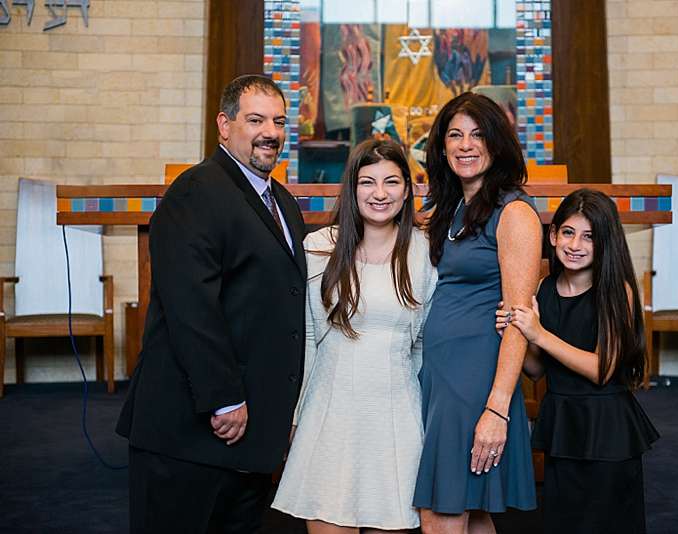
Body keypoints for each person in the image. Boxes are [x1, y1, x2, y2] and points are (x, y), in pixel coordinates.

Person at [116, 74, 307, 534]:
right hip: (192, 429)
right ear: (224, 125)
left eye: (279, 121)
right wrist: (224, 399)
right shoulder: (195, 191)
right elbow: (191, 308)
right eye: (256, 119)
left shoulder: (280, 200)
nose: (271, 132)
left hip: (248, 437)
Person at [271, 139, 437, 533]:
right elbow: (308, 338)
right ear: (352, 188)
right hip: (331, 416)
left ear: (407, 189)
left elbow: (424, 345)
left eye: (391, 182)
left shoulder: (424, 252)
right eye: (368, 182)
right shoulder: (319, 247)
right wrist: (296, 416)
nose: (379, 194)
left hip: (396, 418)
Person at [412, 92, 541, 534]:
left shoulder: (515, 212)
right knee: (473, 511)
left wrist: (498, 409)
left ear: (497, 143)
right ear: (442, 147)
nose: (466, 145)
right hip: (440, 375)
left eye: (478, 134)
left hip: (474, 382)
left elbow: (519, 320)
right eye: (455, 135)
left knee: (439, 512)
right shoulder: (449, 210)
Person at [497, 189, 660, 534]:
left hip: (608, 428)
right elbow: (538, 370)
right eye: (568, 233)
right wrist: (516, 333)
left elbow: (603, 370)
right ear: (553, 235)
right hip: (564, 424)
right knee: (564, 522)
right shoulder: (544, 288)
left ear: (605, 243)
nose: (575, 245)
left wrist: (539, 334)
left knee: (607, 524)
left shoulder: (618, 291)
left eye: (589, 237)